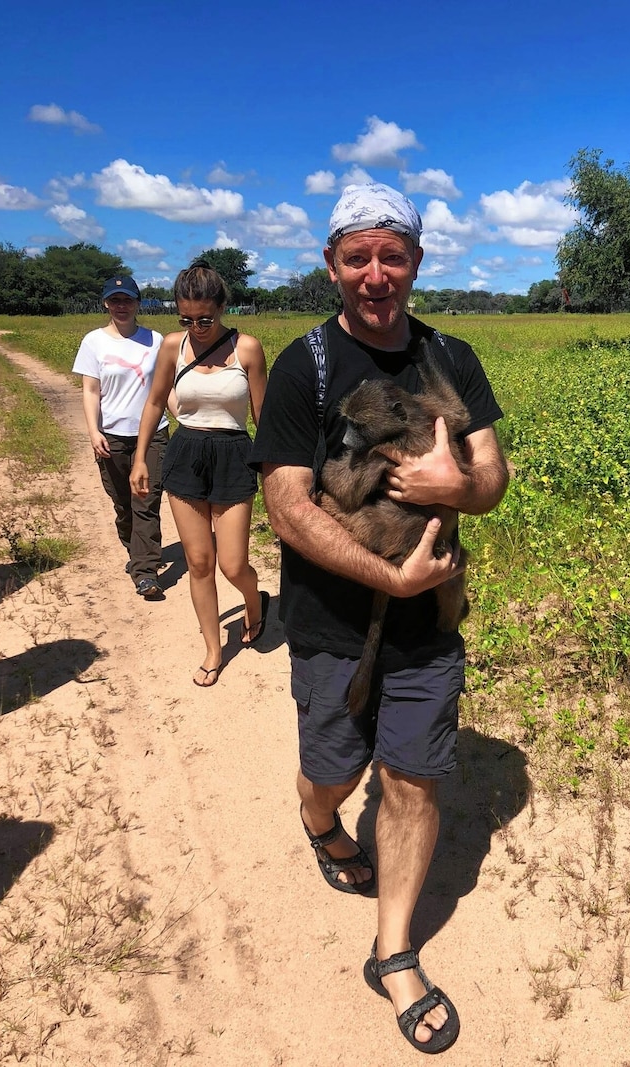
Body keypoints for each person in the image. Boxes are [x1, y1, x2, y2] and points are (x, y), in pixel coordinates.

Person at [251, 183, 509, 1053]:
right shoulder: (304, 366)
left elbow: (492, 478)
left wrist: (456, 488)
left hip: (430, 621)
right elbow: (287, 505)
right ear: (331, 265)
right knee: (333, 768)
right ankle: (320, 817)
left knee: (413, 778)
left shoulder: (451, 356)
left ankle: (393, 951)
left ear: (416, 264)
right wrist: (384, 575)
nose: (375, 273)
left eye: (391, 255)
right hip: (329, 622)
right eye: (357, 256)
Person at [129, 262, 269, 687]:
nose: (196, 327)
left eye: (204, 319)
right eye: (186, 319)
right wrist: (139, 458)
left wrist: (277, 472)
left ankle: (254, 600)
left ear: (223, 307)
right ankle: (213, 649)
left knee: (232, 563)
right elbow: (154, 404)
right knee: (199, 562)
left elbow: (263, 417)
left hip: (233, 455)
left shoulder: (247, 348)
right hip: (186, 452)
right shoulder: (172, 346)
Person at [73, 275, 171, 598]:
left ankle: (145, 571)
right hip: (111, 436)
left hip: (153, 434)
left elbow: (163, 388)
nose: (121, 306)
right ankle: (137, 552)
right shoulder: (93, 342)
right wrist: (93, 430)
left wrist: (183, 413)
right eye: (115, 300)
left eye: (127, 300)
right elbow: (90, 390)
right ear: (105, 303)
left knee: (145, 500)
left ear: (138, 303)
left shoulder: (154, 340)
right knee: (123, 504)